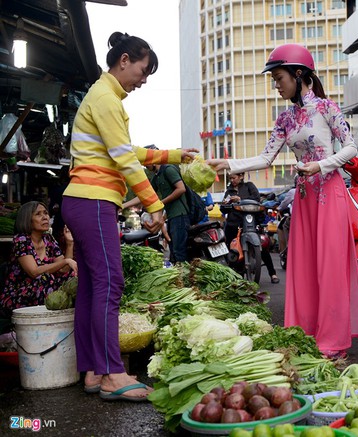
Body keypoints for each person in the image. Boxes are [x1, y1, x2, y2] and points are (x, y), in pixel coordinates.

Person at [208, 43, 358, 358]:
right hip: (304, 198)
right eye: (274, 79)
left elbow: (351, 148)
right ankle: (307, 333)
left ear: (300, 75)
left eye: (279, 77)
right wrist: (227, 164)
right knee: (305, 267)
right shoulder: (285, 119)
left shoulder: (327, 109)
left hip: (330, 194)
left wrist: (320, 165)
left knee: (330, 267)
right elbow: (265, 157)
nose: (276, 84)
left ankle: (333, 341)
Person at [61, 32, 197, 401]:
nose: (144, 79)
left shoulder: (104, 97)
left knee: (92, 287)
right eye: (142, 70)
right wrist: (154, 204)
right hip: (92, 200)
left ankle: (92, 370)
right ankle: (111, 374)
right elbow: (124, 157)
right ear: (123, 61)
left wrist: (171, 155)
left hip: (84, 200)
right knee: (110, 283)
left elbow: (127, 149)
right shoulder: (106, 98)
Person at [0, 202, 77, 317]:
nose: (45, 217)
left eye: (46, 213)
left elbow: (64, 270)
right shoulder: (21, 240)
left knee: (73, 279)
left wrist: (69, 243)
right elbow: (34, 272)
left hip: (43, 288)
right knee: (45, 282)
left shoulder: (48, 239)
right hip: (22, 293)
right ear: (27, 219)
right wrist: (66, 261)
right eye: (38, 214)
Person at [223, 173, 279, 283]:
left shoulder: (249, 186)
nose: (232, 180)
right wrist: (226, 203)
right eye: (230, 178)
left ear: (241, 176)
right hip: (234, 223)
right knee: (230, 247)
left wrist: (240, 198)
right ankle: (232, 274)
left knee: (262, 247)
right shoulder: (229, 191)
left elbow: (256, 198)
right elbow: (223, 209)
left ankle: (272, 273)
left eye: (234, 177)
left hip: (251, 222)